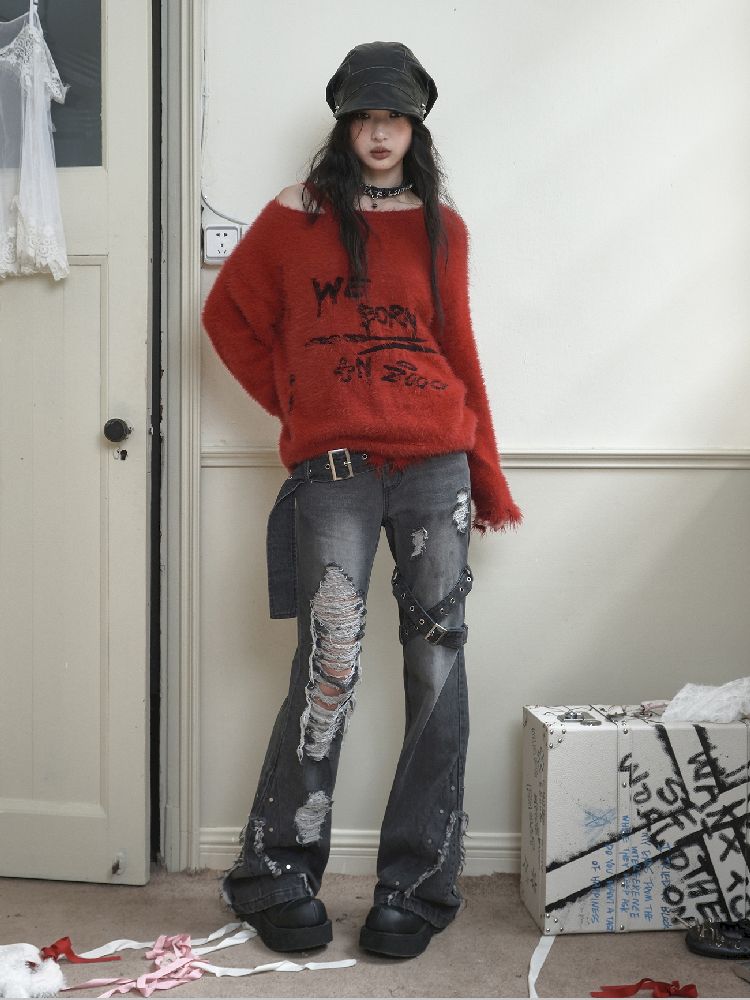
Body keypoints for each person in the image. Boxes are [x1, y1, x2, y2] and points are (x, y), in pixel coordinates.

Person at [201, 40, 522, 959]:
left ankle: (417, 885)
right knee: (328, 665)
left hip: (435, 466)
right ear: (345, 125)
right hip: (334, 472)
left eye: (396, 118)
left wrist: (486, 472)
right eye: (365, 118)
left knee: (436, 666)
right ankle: (275, 873)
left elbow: (459, 351)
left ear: (415, 128)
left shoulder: (442, 228)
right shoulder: (293, 217)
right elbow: (226, 318)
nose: (380, 134)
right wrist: (301, 404)